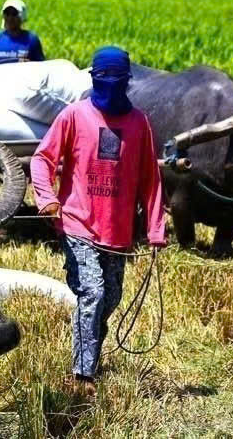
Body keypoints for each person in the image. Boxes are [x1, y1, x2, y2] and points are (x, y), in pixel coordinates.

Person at [30, 46, 165, 396]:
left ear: (127, 83)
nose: (110, 86)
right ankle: (82, 374)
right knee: (92, 293)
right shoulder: (74, 116)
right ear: (93, 79)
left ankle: (89, 350)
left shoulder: (139, 124)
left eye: (116, 81)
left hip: (118, 233)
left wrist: (154, 230)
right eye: (103, 79)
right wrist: (47, 198)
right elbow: (42, 159)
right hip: (77, 225)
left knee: (111, 299)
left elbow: (151, 180)